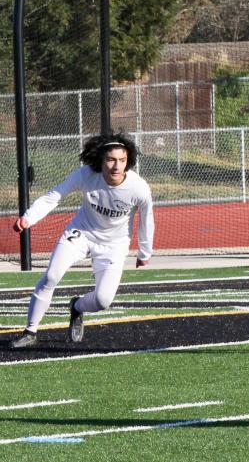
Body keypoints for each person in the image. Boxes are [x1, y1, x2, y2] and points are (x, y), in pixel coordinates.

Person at [9, 133, 154, 348]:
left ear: (128, 161)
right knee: (51, 276)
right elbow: (55, 195)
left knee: (103, 301)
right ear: (100, 160)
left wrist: (145, 253)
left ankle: (77, 307)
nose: (116, 166)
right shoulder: (86, 175)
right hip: (81, 233)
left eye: (122, 160)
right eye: (111, 159)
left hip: (113, 245)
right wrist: (29, 217)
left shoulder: (138, 188)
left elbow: (147, 219)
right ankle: (30, 331)